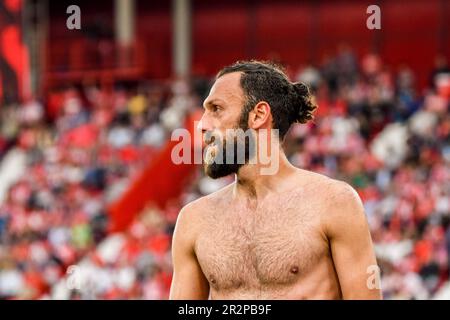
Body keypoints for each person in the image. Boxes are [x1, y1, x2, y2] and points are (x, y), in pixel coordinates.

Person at [169, 60, 382, 300]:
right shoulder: (193, 220)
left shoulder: (333, 203)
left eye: (216, 109)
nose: (203, 125)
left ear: (258, 115)